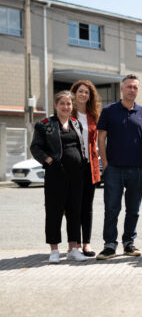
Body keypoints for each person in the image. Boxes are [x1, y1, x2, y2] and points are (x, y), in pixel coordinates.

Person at [96, 74, 142, 260]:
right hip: (114, 169)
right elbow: (101, 138)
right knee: (112, 208)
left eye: (135, 87)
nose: (132, 90)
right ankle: (109, 245)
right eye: (129, 87)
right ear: (122, 88)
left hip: (138, 169)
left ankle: (129, 243)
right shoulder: (109, 110)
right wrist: (106, 164)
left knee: (133, 209)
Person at [30, 91, 87, 263]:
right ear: (56, 105)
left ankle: (73, 248)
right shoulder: (45, 124)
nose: (66, 107)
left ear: (72, 106)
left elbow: (80, 146)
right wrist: (49, 160)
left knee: (75, 212)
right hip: (56, 175)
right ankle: (54, 250)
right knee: (54, 212)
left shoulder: (76, 123)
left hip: (76, 175)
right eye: (62, 103)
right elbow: (36, 147)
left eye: (69, 104)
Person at [70, 80, 101, 257]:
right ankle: (74, 244)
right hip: (73, 167)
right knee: (74, 205)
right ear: (74, 93)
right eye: (80, 91)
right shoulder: (68, 113)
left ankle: (87, 244)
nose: (83, 95)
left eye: (86, 92)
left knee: (87, 206)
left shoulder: (93, 115)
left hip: (90, 165)